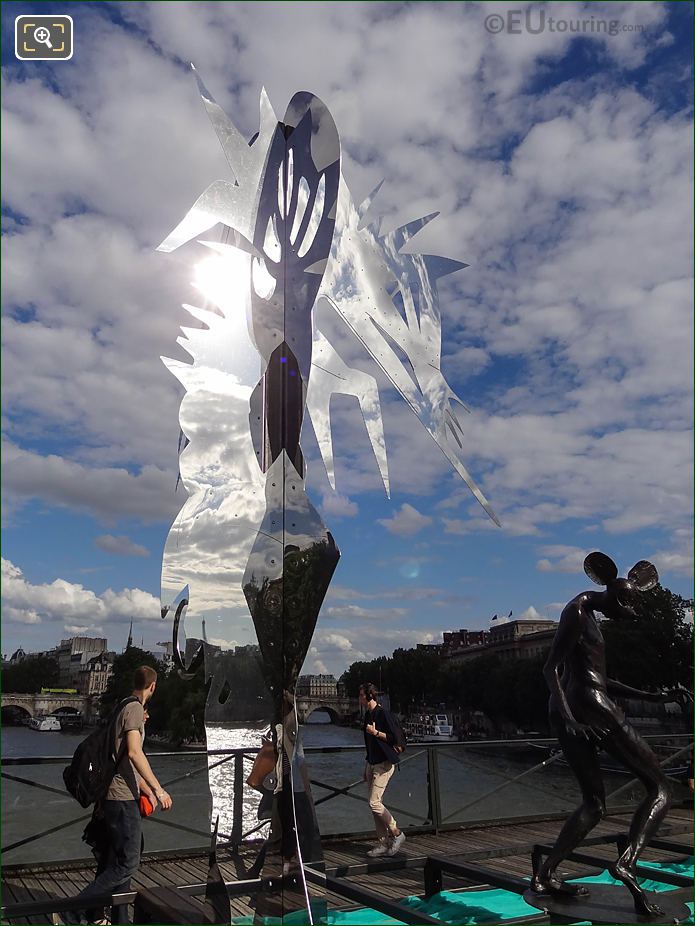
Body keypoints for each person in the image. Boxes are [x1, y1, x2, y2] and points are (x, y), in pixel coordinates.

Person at [530, 553, 692, 917]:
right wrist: (573, 719)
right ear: (618, 599)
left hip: (573, 708)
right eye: (625, 612)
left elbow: (596, 678)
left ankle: (545, 874)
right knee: (661, 787)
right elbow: (549, 667)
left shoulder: (586, 614)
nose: (624, 619)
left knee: (594, 803)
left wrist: (652, 695)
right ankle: (628, 863)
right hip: (590, 709)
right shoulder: (576, 612)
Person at [54, 666, 173, 925]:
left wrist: (143, 787)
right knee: (127, 863)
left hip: (113, 796)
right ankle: (72, 911)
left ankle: (116, 918)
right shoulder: (134, 709)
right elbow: (132, 753)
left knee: (118, 860)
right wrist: (157, 788)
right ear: (153, 687)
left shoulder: (124, 705)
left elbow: (119, 756)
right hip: (120, 798)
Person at [360, 683, 405, 858]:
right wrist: (366, 766)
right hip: (372, 763)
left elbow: (394, 738)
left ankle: (396, 832)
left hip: (384, 764)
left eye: (361, 695)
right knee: (374, 806)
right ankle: (382, 843)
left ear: (369, 696)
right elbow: (368, 745)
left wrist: (376, 732)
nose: (359, 697)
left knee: (374, 803)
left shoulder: (383, 713)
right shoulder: (367, 715)